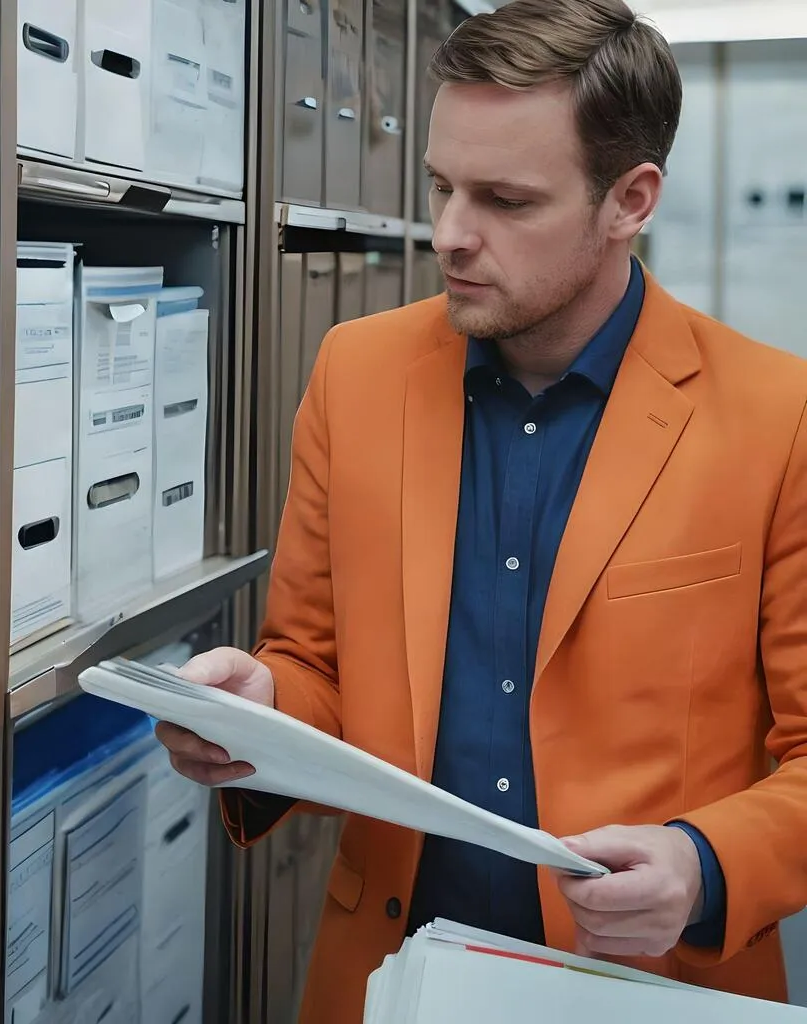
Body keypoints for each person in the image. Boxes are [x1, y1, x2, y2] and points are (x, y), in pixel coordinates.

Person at [157, 0, 807, 1020]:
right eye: (440, 186)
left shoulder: (777, 415)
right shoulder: (355, 375)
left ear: (628, 199)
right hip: (388, 974)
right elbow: (318, 669)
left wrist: (701, 863)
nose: (450, 235)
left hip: (653, 987)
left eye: (505, 200)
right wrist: (262, 711)